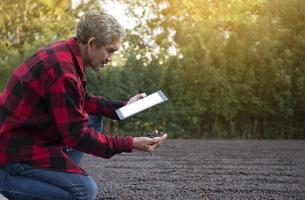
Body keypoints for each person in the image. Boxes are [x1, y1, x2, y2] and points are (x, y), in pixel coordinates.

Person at [0, 10, 167, 200]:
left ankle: (57, 176)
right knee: (83, 192)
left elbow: (80, 100)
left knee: (93, 118)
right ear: (92, 43)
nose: (111, 58)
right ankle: (6, 183)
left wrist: (124, 107)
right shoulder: (63, 72)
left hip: (31, 134)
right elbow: (78, 136)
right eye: (110, 50)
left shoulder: (66, 53)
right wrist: (132, 143)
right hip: (16, 149)